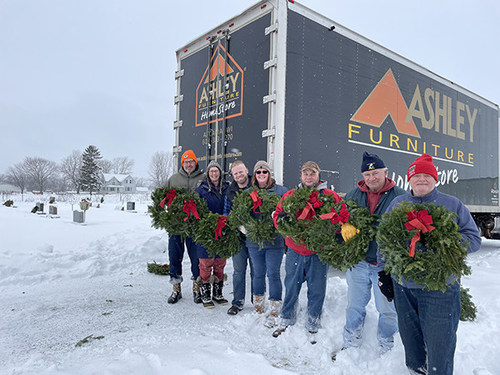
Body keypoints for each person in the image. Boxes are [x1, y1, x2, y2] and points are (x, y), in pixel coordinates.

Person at [377, 154, 481, 375]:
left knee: (440, 343)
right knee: (411, 341)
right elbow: (384, 240)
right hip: (404, 287)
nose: (421, 180)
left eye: (427, 175)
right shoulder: (398, 204)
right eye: (417, 176)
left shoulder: (452, 204)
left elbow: (474, 239)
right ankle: (416, 370)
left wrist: (441, 242)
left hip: (440, 289)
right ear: (410, 179)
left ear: (435, 179)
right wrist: (383, 272)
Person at [336, 152, 405, 359]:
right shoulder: (354, 195)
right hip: (359, 263)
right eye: (367, 174)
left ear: (385, 172)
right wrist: (343, 229)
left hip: (385, 266)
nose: (371, 178)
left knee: (388, 309)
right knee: (354, 305)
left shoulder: (399, 196)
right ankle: (350, 340)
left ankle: (387, 344)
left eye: (375, 173)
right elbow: (341, 218)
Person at [272, 161, 342, 338]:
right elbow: (277, 215)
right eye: (306, 173)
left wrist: (337, 232)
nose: (309, 177)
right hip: (295, 250)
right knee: (291, 286)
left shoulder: (330, 196)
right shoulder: (290, 196)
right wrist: (281, 219)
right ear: (301, 176)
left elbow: (342, 216)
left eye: (312, 173)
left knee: (317, 289)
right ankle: (286, 319)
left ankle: (313, 321)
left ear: (318, 175)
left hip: (319, 252)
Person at [245, 161, 288, 326]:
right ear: (254, 175)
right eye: (258, 172)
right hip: (254, 242)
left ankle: (275, 308)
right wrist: (244, 226)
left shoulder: (280, 191)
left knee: (273, 274)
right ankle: (258, 307)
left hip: (274, 241)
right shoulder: (249, 193)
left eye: (264, 171)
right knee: (257, 273)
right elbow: (241, 213)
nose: (261, 174)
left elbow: (287, 211)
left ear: (269, 174)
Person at [166, 149, 205, 304]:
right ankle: (176, 289)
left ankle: (197, 288)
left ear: (196, 162)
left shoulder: (203, 178)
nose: (189, 164)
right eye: (186, 162)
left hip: (195, 225)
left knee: (196, 257)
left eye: (191, 161)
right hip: (176, 225)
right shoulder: (174, 179)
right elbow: (164, 198)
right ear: (182, 163)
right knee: (174, 256)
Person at [195, 161, 229, 309]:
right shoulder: (201, 190)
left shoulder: (227, 188)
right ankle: (205, 293)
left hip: (223, 230)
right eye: (211, 171)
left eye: (216, 171)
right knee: (205, 262)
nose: (214, 173)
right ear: (208, 173)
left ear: (220, 173)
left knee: (220, 262)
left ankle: (218, 292)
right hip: (206, 231)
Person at [223, 160, 255, 315]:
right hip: (239, 238)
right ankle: (237, 302)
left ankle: (257, 300)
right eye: (235, 173)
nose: (238, 175)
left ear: (246, 171)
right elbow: (226, 213)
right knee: (238, 271)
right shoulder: (230, 191)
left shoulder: (255, 186)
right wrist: (236, 226)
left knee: (257, 271)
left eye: (240, 172)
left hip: (255, 237)